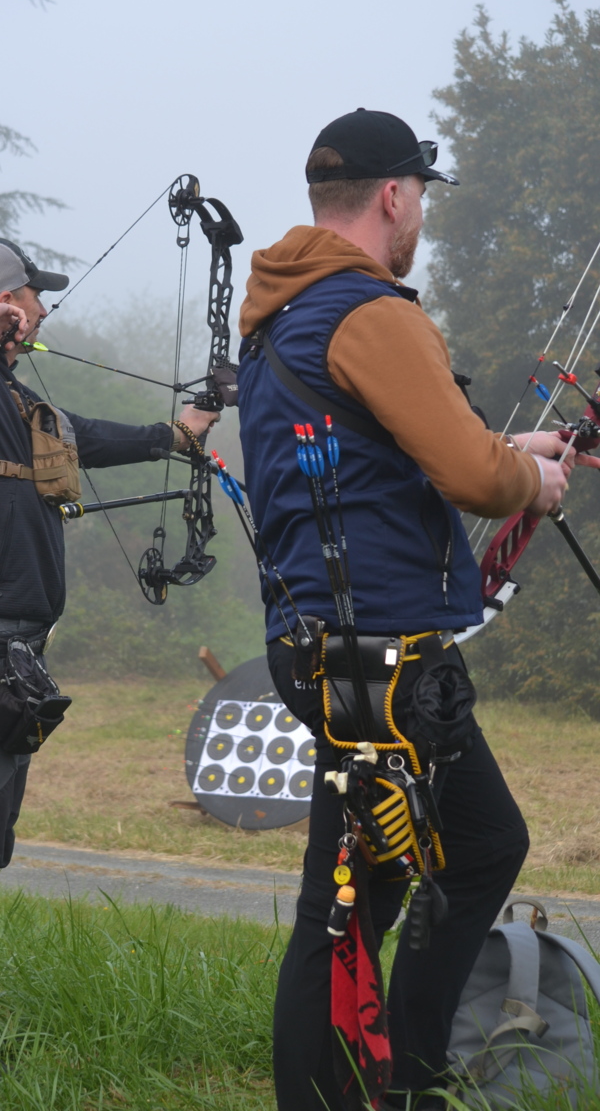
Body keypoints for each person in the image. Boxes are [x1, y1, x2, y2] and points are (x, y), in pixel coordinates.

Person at [235, 110, 596, 1110]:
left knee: (380, 881)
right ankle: (396, 1083)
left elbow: (381, 456)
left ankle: (382, 1079)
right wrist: (528, 481)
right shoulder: (369, 311)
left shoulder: (283, 314)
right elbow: (469, 478)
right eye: (420, 198)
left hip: (324, 646)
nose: (421, 219)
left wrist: (509, 448)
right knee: (425, 870)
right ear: (393, 196)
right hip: (386, 661)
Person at [0, 237, 218, 1073]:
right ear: (6, 301)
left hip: (14, 655)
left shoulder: (8, 396)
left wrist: (174, 435)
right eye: (33, 298)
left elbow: (84, 437)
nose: (43, 312)